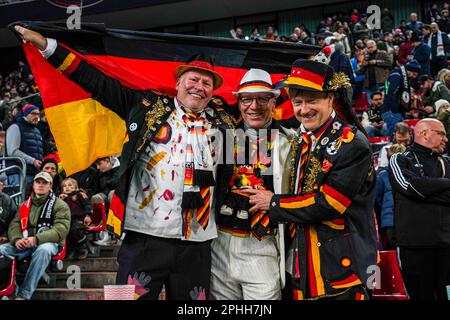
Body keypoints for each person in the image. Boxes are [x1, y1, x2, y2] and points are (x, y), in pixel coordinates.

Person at [13, 25, 235, 300]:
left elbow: (261, 111)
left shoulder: (226, 124)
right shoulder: (146, 107)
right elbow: (93, 80)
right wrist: (46, 45)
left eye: (206, 83)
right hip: (142, 238)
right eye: (193, 79)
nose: (199, 87)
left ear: (214, 91)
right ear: (178, 82)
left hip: (198, 244)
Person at [247, 59, 377, 300]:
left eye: (312, 100)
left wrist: (273, 203)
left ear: (330, 99)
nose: (303, 110)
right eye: (297, 102)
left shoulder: (351, 143)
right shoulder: (303, 139)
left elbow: (329, 204)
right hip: (303, 264)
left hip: (341, 270)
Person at [211, 69, 293, 300]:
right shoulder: (222, 138)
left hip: (263, 243)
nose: (254, 106)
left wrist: (275, 202)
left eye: (262, 99)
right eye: (247, 99)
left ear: (273, 101)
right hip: (220, 241)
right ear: (238, 103)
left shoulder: (290, 141)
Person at [389, 118, 450, 300]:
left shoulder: (446, 163)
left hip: (446, 243)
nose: (446, 139)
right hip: (414, 245)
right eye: (441, 134)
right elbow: (409, 187)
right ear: (424, 133)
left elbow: (417, 190)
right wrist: (446, 183)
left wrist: (425, 190)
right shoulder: (399, 159)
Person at [0, 172, 70, 300]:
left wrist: (37, 239)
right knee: (1, 250)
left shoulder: (60, 205)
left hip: (49, 243)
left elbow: (61, 230)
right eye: (38, 182)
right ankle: (9, 288)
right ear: (33, 185)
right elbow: (14, 225)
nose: (41, 185)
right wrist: (16, 240)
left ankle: (24, 294)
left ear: (50, 185)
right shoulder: (24, 205)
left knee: (43, 249)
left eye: (44, 183)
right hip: (26, 242)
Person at [375, 143, 406, 250]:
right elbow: (377, 199)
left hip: (399, 220)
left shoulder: (409, 174)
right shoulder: (383, 175)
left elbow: (379, 200)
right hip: (390, 221)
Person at [5, 104, 43, 185]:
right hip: (18, 172)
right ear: (25, 114)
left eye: (38, 114)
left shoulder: (37, 131)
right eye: (33, 113)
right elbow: (13, 152)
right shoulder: (15, 127)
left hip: (34, 173)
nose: (36, 116)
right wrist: (33, 161)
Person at [382, 60, 420, 139]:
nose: (414, 77)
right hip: (392, 112)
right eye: (414, 74)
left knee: (397, 137)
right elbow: (390, 93)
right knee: (396, 139)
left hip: (394, 112)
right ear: (409, 71)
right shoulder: (397, 76)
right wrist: (395, 110)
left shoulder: (399, 75)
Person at [59, 177, 92, 260]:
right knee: (64, 231)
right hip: (67, 220)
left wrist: (88, 215)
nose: (67, 187)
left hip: (79, 219)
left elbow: (88, 205)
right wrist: (60, 200)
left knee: (75, 230)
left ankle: (83, 246)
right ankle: (68, 250)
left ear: (76, 187)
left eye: (70, 185)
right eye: (65, 186)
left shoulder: (80, 195)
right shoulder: (62, 198)